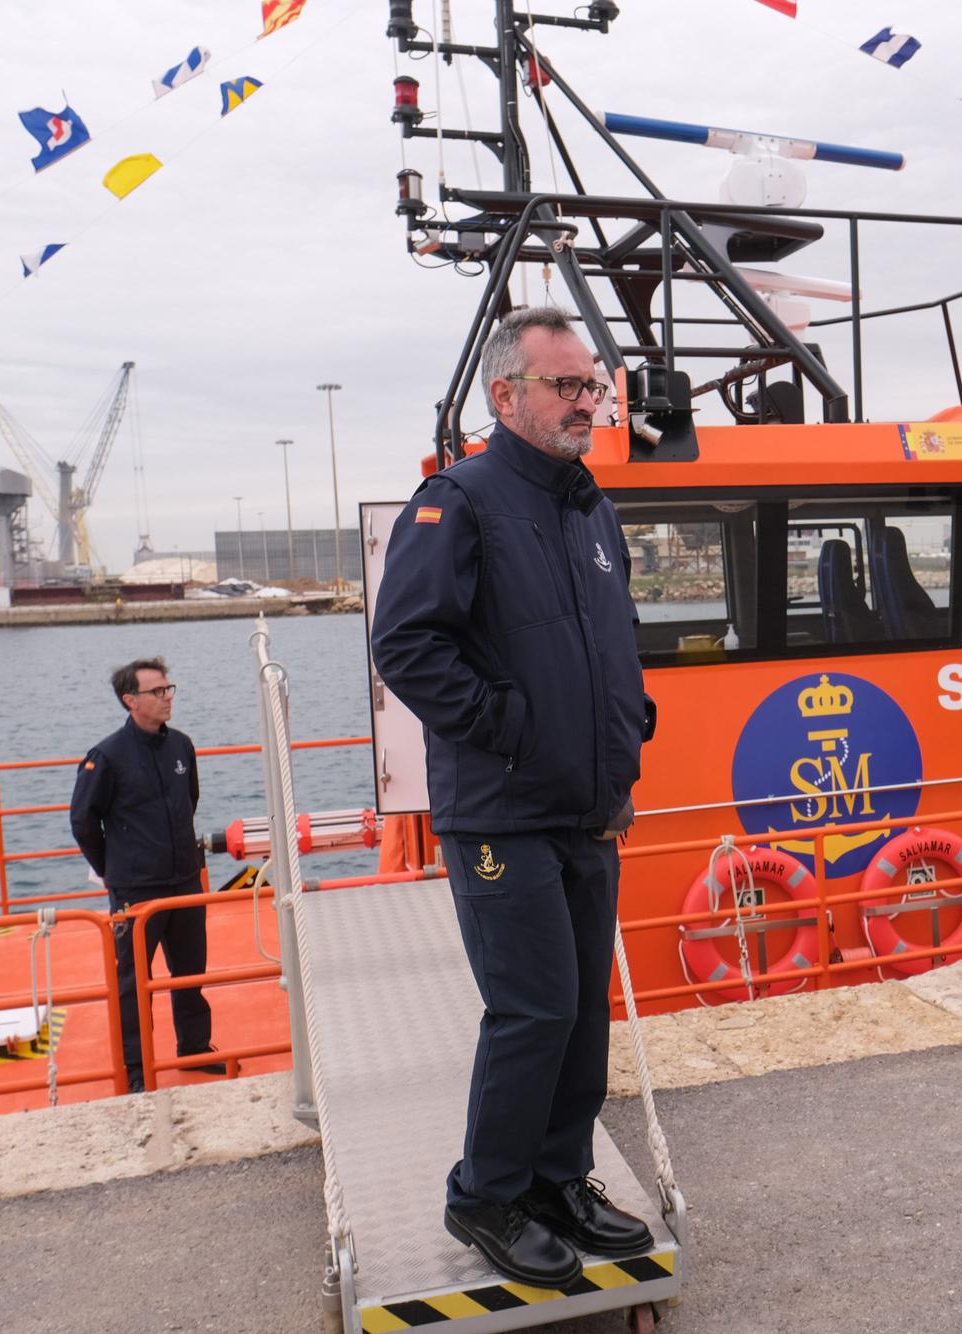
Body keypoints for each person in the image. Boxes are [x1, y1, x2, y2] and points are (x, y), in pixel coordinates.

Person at [371, 306, 656, 1289]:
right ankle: (486, 1192)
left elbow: (610, 639)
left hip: (587, 803)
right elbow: (405, 644)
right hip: (501, 807)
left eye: (592, 385)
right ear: (507, 394)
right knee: (533, 1007)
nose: (587, 401)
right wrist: (509, 726)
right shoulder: (459, 499)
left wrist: (625, 740)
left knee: (581, 1010)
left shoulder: (586, 504)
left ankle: (557, 1176)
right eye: (567, 385)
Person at [69, 656, 225, 1095]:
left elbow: (188, 800)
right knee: (133, 981)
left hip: (183, 880)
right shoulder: (107, 757)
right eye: (157, 692)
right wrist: (113, 871)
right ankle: (136, 1068)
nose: (167, 698)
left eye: (169, 689)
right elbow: (84, 820)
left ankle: (194, 1046)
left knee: (190, 970)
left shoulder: (181, 746)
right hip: (136, 889)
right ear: (130, 700)